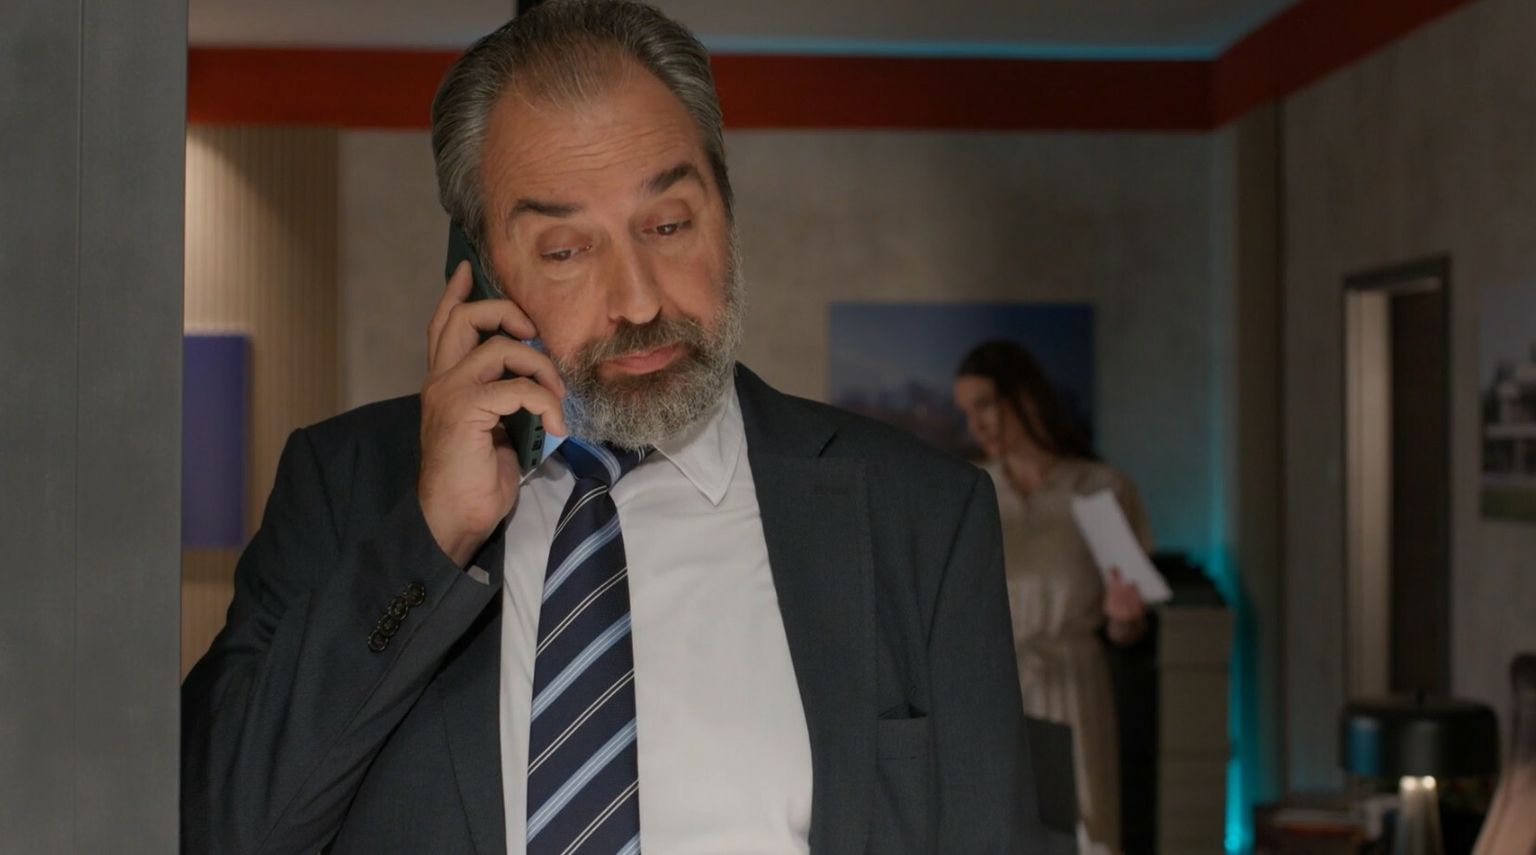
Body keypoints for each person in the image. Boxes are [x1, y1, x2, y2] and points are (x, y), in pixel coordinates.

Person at [181, 3, 1042, 853]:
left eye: (669, 226)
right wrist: (433, 535)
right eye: (565, 251)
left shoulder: (920, 514)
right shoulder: (343, 485)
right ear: (479, 271)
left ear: (726, 212)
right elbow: (217, 828)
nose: (637, 300)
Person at [953, 340, 1153, 855]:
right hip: (989, 687)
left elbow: (1129, 629)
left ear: (1026, 397)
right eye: (967, 411)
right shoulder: (970, 491)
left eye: (985, 405)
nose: (977, 425)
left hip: (1071, 686)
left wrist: (1124, 619)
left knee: (1083, 830)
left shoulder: (1100, 490)